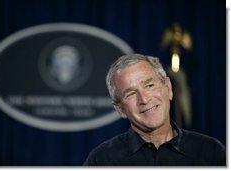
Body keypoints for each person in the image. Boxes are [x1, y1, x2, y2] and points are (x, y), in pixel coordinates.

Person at [83, 53, 226, 166]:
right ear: (120, 109)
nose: (144, 99)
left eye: (149, 85)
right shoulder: (102, 160)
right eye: (131, 93)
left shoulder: (211, 151)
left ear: (168, 88)